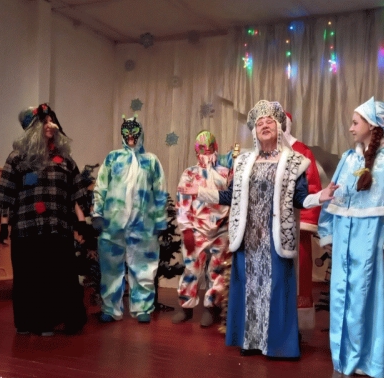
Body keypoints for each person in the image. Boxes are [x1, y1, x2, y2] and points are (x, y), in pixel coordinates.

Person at [181, 100, 338, 359]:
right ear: (254, 130)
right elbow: (232, 195)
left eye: (270, 122)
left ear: (279, 128)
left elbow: (299, 199)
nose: (264, 125)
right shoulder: (243, 161)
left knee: (276, 290)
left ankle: (277, 345)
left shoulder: (295, 162)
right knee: (250, 289)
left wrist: (320, 196)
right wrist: (202, 192)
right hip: (249, 238)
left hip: (275, 238)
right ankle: (251, 340)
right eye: (260, 123)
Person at [318, 97, 384, 378]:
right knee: (344, 294)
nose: (350, 128)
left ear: (372, 125)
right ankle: (346, 355)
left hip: (376, 240)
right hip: (345, 236)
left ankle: (373, 359)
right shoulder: (349, 159)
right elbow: (332, 196)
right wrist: (328, 231)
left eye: (355, 122)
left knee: (374, 295)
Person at [0, 103, 90, 336]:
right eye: (45, 122)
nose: (51, 125)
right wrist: (4, 227)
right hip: (26, 229)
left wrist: (81, 222)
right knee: (28, 277)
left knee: (56, 276)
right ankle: (27, 322)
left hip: (57, 228)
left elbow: (76, 193)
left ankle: (51, 321)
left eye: (52, 121)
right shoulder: (18, 158)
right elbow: (6, 193)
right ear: (34, 128)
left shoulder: (65, 160)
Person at [92, 115, 168, 324]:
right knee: (110, 268)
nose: (131, 137)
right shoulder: (113, 158)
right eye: (127, 133)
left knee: (144, 267)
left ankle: (142, 307)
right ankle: (110, 308)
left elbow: (160, 191)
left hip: (143, 224)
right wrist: (97, 213)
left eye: (135, 132)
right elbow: (101, 186)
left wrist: (160, 220)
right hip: (113, 223)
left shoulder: (151, 161)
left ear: (140, 133)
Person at [174, 131, 232, 327]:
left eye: (210, 148)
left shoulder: (225, 173)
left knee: (217, 269)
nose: (206, 152)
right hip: (197, 229)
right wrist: (186, 229)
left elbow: (231, 198)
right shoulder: (189, 174)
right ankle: (186, 307)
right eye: (202, 149)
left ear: (216, 148)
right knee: (191, 268)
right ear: (196, 151)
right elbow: (182, 202)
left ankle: (211, 307)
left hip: (221, 229)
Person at [282, 112, 323, 332]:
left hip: (297, 227)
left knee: (298, 275)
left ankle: (295, 326)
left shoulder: (302, 152)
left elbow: (313, 186)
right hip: (272, 227)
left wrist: (306, 221)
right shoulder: (265, 153)